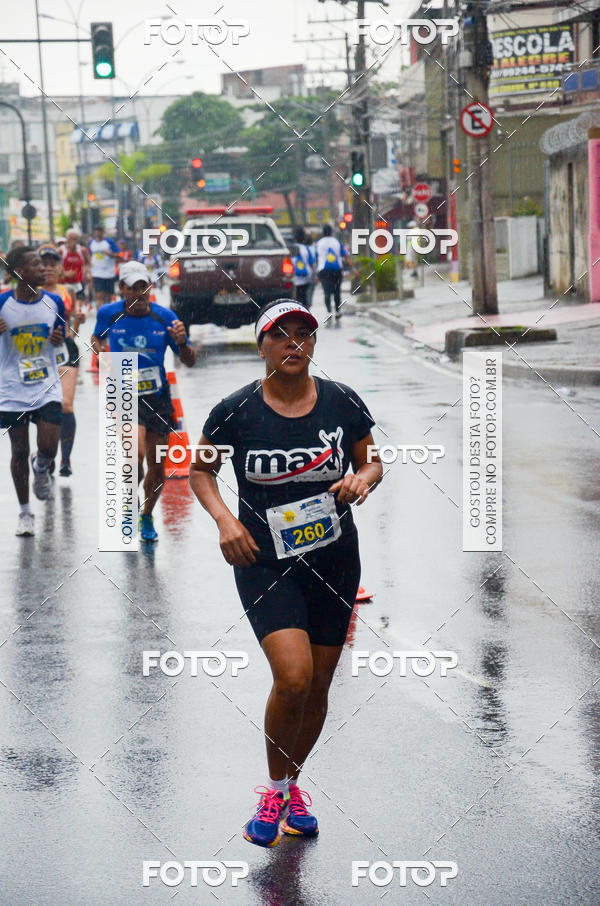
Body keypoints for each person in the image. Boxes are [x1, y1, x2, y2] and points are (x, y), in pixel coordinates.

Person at [190, 298, 383, 848]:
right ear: (262, 346)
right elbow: (200, 471)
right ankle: (273, 790)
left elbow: (372, 460)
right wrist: (225, 520)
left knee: (318, 685)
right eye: (281, 334)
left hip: (334, 559)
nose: (294, 342)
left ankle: (293, 786)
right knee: (293, 676)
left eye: (304, 333)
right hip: (263, 560)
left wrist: (362, 479)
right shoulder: (235, 410)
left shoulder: (342, 401)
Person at [91, 260, 196, 542]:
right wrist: (101, 353)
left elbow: (189, 361)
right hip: (124, 394)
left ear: (150, 287)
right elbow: (96, 338)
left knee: (157, 465)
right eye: (133, 287)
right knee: (133, 455)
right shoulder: (108, 313)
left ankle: (147, 514)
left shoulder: (166, 317)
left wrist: (182, 343)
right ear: (121, 289)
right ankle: (130, 502)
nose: (139, 292)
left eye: (143, 286)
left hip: (158, 397)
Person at [0, 246, 67, 536]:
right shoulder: (2, 302)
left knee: (49, 446)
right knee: (19, 450)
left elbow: (62, 337)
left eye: (43, 264)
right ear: (19, 272)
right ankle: (25, 512)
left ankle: (41, 467)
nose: (43, 269)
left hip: (46, 384)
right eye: (35, 264)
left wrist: (59, 339)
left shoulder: (54, 302)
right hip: (12, 388)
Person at [40, 244, 84, 477]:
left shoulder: (67, 291)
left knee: (65, 404)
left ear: (60, 268)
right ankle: (45, 456)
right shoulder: (30, 291)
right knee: (45, 407)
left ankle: (65, 459)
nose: (48, 268)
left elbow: (74, 323)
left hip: (65, 349)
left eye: (52, 264)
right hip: (38, 352)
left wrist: (78, 322)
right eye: (43, 264)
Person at [314, 224, 359, 321]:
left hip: (323, 271)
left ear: (323, 232)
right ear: (331, 232)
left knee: (327, 292)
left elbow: (316, 259)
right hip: (336, 271)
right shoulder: (337, 242)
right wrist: (353, 268)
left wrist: (315, 273)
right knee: (337, 292)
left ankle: (329, 312)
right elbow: (345, 256)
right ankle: (338, 311)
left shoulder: (319, 243)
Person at [88, 225, 120, 308]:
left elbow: (119, 255)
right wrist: (89, 268)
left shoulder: (109, 242)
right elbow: (88, 255)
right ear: (94, 232)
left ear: (103, 232)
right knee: (99, 295)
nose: (98, 232)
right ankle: (99, 313)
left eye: (100, 230)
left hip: (109, 273)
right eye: (96, 231)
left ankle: (106, 312)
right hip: (97, 273)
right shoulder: (91, 243)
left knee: (108, 297)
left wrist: (110, 254)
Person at [61, 228, 90, 304]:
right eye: (71, 239)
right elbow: (56, 266)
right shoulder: (61, 250)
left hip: (78, 282)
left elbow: (88, 263)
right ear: (67, 239)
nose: (73, 241)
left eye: (75, 239)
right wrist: (64, 273)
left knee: (78, 306)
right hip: (64, 283)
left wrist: (86, 272)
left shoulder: (82, 250)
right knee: (67, 305)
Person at [291, 227, 316, 308]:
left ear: (295, 238)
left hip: (294, 277)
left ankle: (298, 308)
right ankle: (305, 309)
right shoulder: (306, 248)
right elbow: (311, 264)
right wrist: (314, 276)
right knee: (304, 295)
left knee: (296, 297)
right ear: (304, 238)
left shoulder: (291, 249)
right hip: (306, 276)